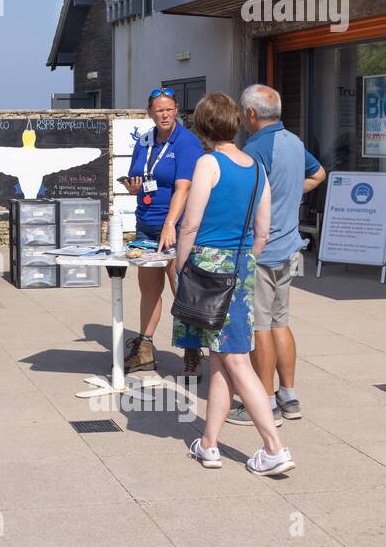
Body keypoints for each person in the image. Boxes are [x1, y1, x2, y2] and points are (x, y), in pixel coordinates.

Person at [174, 93, 294, 476]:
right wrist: (245, 258)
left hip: (208, 264)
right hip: (242, 265)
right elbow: (263, 229)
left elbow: (190, 224)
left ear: (204, 128)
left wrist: (181, 264)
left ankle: (274, 447)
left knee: (237, 360)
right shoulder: (255, 167)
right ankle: (209, 444)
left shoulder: (208, 163)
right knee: (221, 358)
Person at [227, 84, 326, 426]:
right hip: (289, 246)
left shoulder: (255, 149)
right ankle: (289, 395)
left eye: (242, 112)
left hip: (261, 250)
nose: (241, 118)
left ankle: (265, 402)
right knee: (281, 322)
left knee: (261, 327)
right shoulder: (294, 142)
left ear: (250, 115)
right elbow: (319, 173)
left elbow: (245, 198)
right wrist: (290, 193)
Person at [119, 88, 203, 376]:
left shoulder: (187, 143)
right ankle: (144, 349)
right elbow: (139, 177)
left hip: (176, 228)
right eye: (159, 110)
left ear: (176, 110)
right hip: (146, 225)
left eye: (169, 109)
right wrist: (133, 186)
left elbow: (184, 187)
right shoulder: (144, 141)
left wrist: (170, 223)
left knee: (181, 290)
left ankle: (192, 351)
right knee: (149, 289)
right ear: (150, 113)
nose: (164, 115)